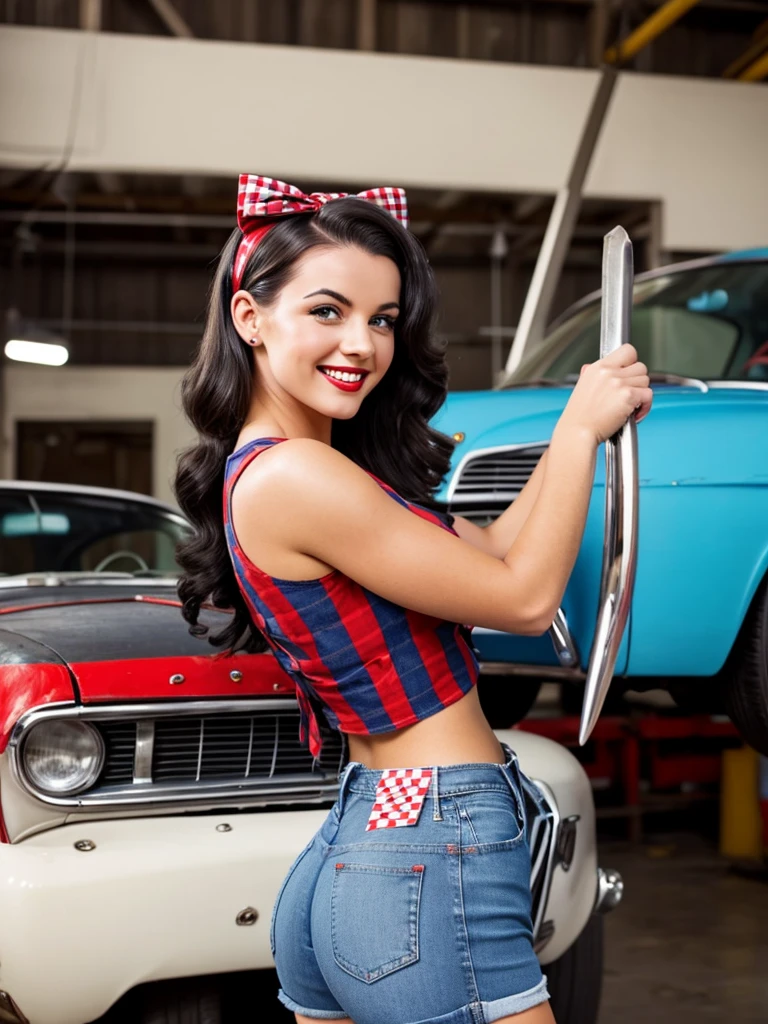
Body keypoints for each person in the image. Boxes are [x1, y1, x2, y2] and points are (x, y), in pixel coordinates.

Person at [174, 175, 652, 1024]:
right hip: (431, 841)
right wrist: (580, 430)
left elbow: (500, 549)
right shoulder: (297, 475)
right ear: (250, 318)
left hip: (371, 841)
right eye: (327, 311)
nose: (362, 342)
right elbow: (525, 597)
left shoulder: (302, 471)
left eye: (383, 319)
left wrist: (575, 426)